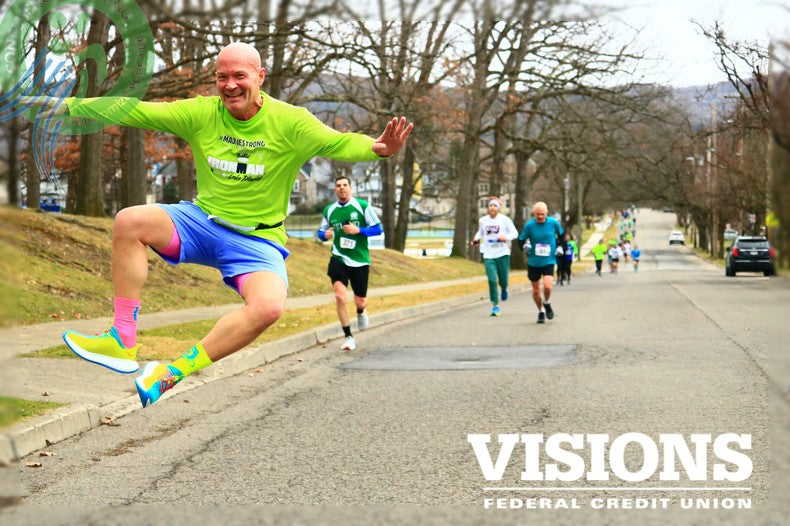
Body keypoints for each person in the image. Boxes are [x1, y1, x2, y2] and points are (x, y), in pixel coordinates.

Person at [57, 42, 413, 407]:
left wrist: (376, 148)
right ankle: (122, 338)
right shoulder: (201, 113)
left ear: (260, 77)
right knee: (130, 221)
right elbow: (135, 111)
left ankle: (170, 373)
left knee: (270, 307)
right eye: (221, 77)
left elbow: (336, 142)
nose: (229, 85)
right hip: (201, 223)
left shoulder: (290, 121)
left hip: (257, 241)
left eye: (239, 76)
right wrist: (69, 106)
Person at [317, 176, 382, 350]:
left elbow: (378, 229)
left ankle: (361, 311)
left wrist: (358, 230)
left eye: (345, 185)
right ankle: (348, 337)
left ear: (350, 188)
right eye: (338, 186)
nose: (342, 188)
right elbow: (321, 232)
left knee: (360, 301)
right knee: (340, 296)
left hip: (359, 260)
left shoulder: (362, 206)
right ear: (335, 190)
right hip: (338, 258)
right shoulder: (330, 210)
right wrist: (325, 235)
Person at [471, 197, 518, 316]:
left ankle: (504, 288)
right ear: (488, 208)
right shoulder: (483, 220)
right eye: (490, 205)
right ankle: (495, 305)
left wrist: (506, 237)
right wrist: (476, 240)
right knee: (492, 279)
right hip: (488, 253)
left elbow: (515, 233)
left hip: (502, 253)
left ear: (498, 208)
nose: (492, 207)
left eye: (495, 206)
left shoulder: (505, 220)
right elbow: (480, 233)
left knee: (503, 279)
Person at [518, 202, 563, 324]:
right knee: (536, 290)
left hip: (548, 260)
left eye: (542, 214)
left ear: (546, 213)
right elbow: (521, 240)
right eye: (538, 214)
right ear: (534, 213)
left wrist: (560, 247)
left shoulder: (553, 223)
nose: (540, 217)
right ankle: (541, 311)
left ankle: (547, 302)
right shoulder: (529, 225)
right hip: (533, 261)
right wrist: (524, 246)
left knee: (548, 286)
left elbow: (562, 235)